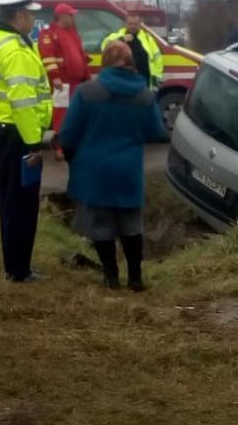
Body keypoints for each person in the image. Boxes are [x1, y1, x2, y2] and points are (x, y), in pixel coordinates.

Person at [60, 40, 166, 291]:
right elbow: (156, 132)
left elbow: (68, 134)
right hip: (128, 170)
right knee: (131, 225)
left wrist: (71, 157)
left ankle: (110, 277)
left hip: (94, 170)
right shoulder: (144, 95)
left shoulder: (86, 93)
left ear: (104, 63)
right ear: (132, 64)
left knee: (100, 226)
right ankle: (135, 278)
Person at [0, 0, 53, 283]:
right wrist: (34, 143)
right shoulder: (14, 49)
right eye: (30, 15)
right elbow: (22, 103)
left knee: (9, 200)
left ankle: (14, 266)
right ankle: (19, 270)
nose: (33, 21)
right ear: (19, 15)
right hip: (16, 135)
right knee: (21, 203)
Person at [37, 3, 89, 159]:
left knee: (76, 114)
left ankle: (74, 143)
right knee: (61, 115)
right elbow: (47, 57)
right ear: (61, 16)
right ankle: (59, 147)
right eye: (70, 15)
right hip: (62, 84)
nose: (73, 18)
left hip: (77, 82)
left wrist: (85, 74)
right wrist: (56, 76)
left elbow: (80, 55)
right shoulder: (49, 34)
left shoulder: (73, 33)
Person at [101, 12, 162, 89]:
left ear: (140, 25)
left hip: (144, 82)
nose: (133, 26)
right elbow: (105, 46)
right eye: (130, 24)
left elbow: (157, 57)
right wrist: (121, 40)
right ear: (125, 24)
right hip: (123, 81)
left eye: (135, 24)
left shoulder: (147, 38)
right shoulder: (117, 36)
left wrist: (157, 77)